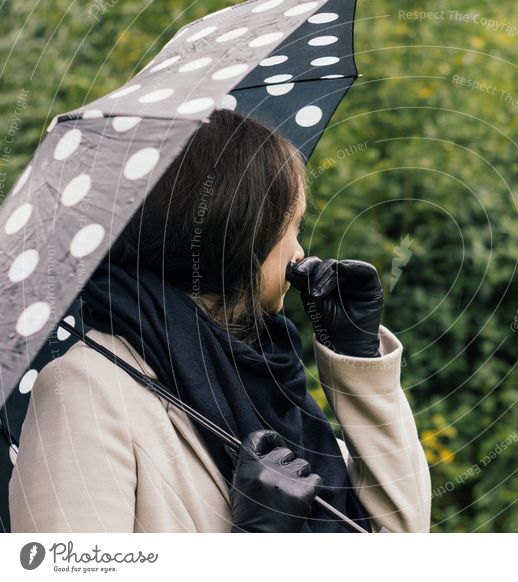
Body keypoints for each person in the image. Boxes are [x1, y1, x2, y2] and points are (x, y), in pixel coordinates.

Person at [8, 108, 431, 533]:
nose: (300, 253)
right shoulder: (88, 389)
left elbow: (402, 539)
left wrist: (357, 361)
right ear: (238, 233)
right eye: (291, 227)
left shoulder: (269, 382)